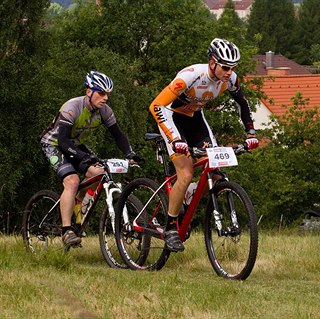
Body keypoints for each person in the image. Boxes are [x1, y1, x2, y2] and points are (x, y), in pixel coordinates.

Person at [149, 38, 259, 252]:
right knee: (186, 173)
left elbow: (243, 103)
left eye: (233, 68)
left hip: (195, 119)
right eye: (225, 67)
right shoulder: (190, 77)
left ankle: (184, 207)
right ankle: (171, 226)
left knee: (216, 172)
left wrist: (251, 132)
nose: (229, 72)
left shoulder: (230, 79)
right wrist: (175, 139)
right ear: (212, 62)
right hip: (171, 118)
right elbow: (156, 106)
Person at [41, 71, 142, 247]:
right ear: (89, 91)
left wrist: (130, 154)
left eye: (107, 94)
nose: (105, 98)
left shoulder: (104, 111)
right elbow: (63, 142)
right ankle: (67, 231)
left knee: (100, 172)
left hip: (74, 144)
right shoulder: (72, 107)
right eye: (101, 93)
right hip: (54, 144)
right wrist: (84, 156)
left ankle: (77, 205)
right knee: (72, 181)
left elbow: (118, 135)